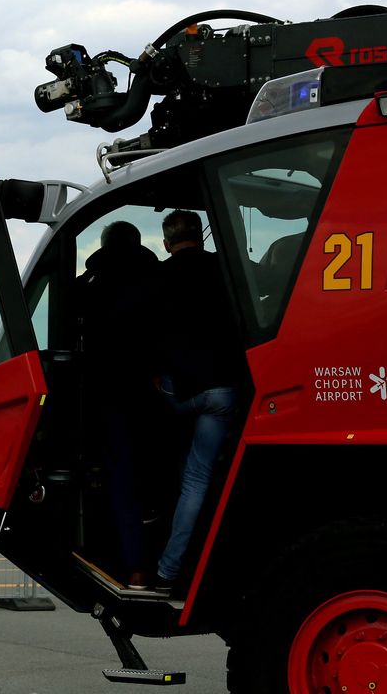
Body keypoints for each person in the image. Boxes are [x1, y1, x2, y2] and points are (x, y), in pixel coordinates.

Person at [151, 209, 244, 594]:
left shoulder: (159, 276)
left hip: (177, 393)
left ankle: (151, 548)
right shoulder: (227, 270)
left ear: (168, 242)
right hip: (222, 392)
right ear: (200, 237)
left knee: (166, 456)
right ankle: (170, 571)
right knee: (199, 479)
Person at [75, 221, 159, 589]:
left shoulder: (90, 284)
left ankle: (133, 565)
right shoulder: (158, 281)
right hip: (159, 396)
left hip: (109, 396)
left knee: (120, 480)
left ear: (105, 245)